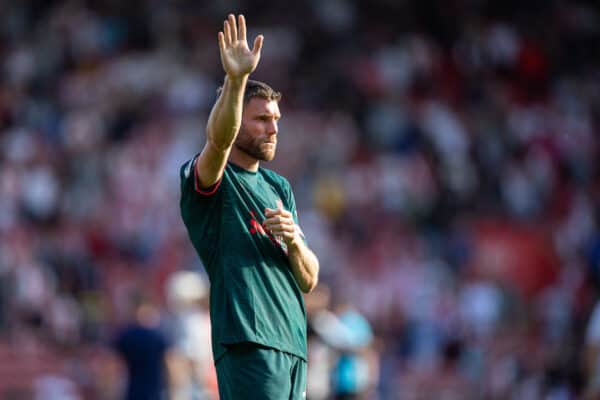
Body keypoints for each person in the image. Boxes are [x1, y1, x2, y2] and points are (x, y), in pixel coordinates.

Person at [179, 13, 320, 400]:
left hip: (293, 347)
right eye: (261, 120)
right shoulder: (213, 177)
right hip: (250, 342)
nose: (273, 129)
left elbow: (309, 279)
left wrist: (294, 243)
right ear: (238, 121)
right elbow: (218, 142)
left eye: (276, 120)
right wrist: (237, 80)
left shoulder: (279, 187)